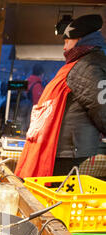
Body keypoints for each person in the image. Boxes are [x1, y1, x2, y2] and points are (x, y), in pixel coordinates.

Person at [15, 14, 106, 178]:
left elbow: (103, 110)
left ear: (80, 39)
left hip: (71, 153)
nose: (64, 47)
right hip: (65, 150)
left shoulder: (90, 66)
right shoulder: (79, 64)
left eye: (67, 41)